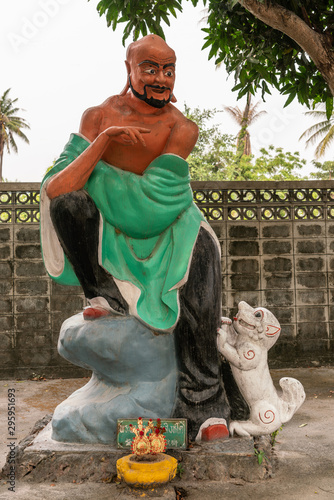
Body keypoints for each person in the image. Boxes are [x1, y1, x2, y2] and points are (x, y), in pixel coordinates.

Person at [40, 34, 230, 440]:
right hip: (112, 230)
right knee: (70, 204)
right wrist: (104, 142)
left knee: (202, 260)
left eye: (169, 69)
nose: (161, 79)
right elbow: (58, 187)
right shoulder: (98, 117)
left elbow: (154, 208)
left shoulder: (181, 128)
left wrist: (103, 178)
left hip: (170, 226)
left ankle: (204, 401)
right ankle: (102, 295)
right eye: (150, 68)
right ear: (128, 68)